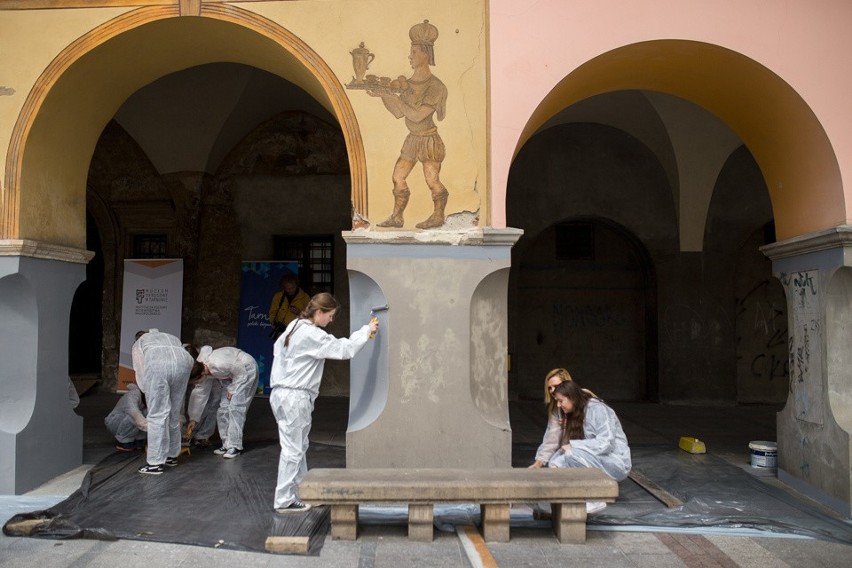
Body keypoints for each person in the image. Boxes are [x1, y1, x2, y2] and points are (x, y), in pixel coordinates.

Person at [269, 293, 379, 513]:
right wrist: (367, 331)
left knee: (297, 447)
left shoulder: (293, 326)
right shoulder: (311, 334)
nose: (330, 321)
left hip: (281, 394)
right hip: (295, 396)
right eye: (330, 316)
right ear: (319, 312)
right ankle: (283, 499)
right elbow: (344, 349)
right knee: (293, 450)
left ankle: (303, 491)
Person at [369, 20, 449, 230]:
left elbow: (416, 116)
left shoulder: (436, 86)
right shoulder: (408, 83)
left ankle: (438, 216)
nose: (410, 56)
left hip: (428, 139)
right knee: (398, 177)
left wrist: (393, 97)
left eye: (414, 52)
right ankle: (397, 217)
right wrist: (384, 95)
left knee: (432, 180)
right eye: (410, 52)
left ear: (425, 54)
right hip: (412, 140)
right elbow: (397, 113)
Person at [530, 377, 632, 514]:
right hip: (594, 458)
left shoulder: (597, 409)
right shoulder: (571, 412)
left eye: (561, 401)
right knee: (556, 460)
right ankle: (562, 498)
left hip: (615, 462)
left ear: (571, 397)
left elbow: (606, 443)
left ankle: (594, 499)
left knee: (572, 454)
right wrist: (548, 465)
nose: (559, 405)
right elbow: (552, 438)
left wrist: (573, 445)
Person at [132, 329, 200, 474]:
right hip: (184, 362)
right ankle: (171, 456)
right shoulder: (169, 336)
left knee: (156, 415)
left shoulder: (140, 343)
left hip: (158, 364)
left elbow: (140, 369)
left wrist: (147, 390)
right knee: (174, 413)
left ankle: (155, 463)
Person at [195, 345, 259, 458]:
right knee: (223, 409)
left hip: (245, 368)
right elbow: (200, 392)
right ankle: (226, 443)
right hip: (232, 375)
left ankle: (235, 446)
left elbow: (241, 372)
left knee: (235, 408)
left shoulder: (217, 363)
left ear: (201, 374)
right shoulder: (202, 367)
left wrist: (233, 388)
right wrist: (193, 418)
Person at [104, 383, 147, 452]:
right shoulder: (133, 395)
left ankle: (139, 440)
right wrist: (153, 430)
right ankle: (124, 441)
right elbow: (134, 413)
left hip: (128, 421)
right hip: (116, 422)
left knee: (147, 413)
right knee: (134, 417)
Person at [268, 273, 311, 342]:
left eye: (293, 288)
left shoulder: (305, 297)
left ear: (297, 285)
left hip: (298, 330)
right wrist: (273, 323)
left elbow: (310, 316)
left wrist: (299, 312)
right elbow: (272, 312)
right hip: (281, 331)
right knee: (280, 351)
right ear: (284, 287)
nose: (291, 290)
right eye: (288, 288)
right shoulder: (278, 297)